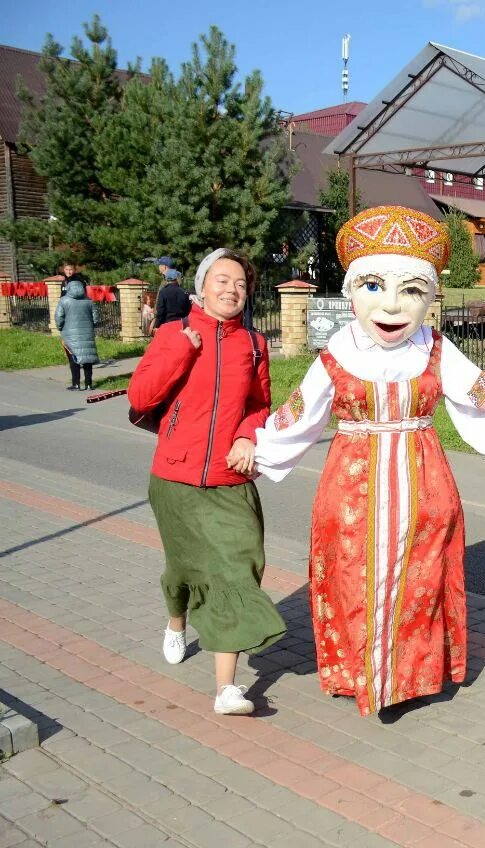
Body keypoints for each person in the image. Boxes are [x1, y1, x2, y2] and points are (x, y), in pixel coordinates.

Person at [251, 205, 485, 717]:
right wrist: (257, 450)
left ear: (430, 297)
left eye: (411, 290)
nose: (392, 305)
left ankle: (407, 677)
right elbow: (298, 414)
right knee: (353, 579)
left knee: (418, 583)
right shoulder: (336, 355)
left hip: (424, 486)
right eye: (373, 287)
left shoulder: (436, 350)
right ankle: (362, 674)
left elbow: (483, 398)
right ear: (351, 293)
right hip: (351, 493)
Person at [127, 248, 283, 716]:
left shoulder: (254, 344)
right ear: (202, 285)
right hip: (174, 477)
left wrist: (246, 435)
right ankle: (177, 621)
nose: (232, 289)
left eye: (240, 283)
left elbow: (259, 404)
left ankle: (226, 689)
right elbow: (140, 394)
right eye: (222, 280)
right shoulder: (174, 333)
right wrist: (182, 348)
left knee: (238, 568)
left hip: (229, 478)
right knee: (183, 570)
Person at [54, 262, 100, 391]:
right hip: (87, 333)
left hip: (70, 333)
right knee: (87, 358)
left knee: (73, 357)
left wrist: (60, 327)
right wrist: (92, 326)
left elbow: (59, 317)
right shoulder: (88, 301)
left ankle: (76, 383)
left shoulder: (64, 300)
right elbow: (95, 317)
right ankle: (89, 384)